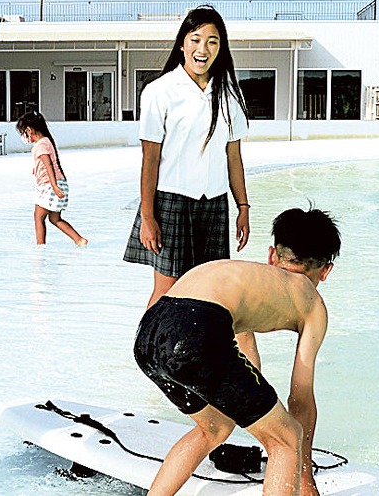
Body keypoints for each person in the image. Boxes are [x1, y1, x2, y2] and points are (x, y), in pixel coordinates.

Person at [134, 207, 340, 496]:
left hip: (149, 334)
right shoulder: (313, 305)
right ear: (326, 270)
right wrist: (304, 479)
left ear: (273, 255)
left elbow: (244, 363)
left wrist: (254, 408)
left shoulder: (245, 275)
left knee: (214, 427)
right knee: (287, 438)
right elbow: (300, 399)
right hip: (196, 333)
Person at [123, 5, 252, 310]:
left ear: (221, 48)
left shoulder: (230, 95)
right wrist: (148, 217)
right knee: (167, 291)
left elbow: (234, 156)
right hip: (171, 203)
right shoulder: (159, 91)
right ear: (182, 44)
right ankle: (148, 342)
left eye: (212, 41)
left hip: (215, 204)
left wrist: (243, 207)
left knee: (213, 291)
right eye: (195, 39)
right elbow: (150, 159)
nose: (202, 49)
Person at [16, 111, 88, 246]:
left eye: (23, 132)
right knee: (55, 219)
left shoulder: (40, 145)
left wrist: (54, 186)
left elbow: (48, 164)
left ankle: (40, 247)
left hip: (49, 185)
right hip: (57, 183)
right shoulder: (47, 141)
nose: (23, 137)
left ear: (29, 130)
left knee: (38, 217)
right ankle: (79, 239)